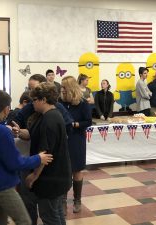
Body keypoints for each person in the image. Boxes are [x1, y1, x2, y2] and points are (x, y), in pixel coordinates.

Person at [0, 90, 53, 225]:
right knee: (24, 220)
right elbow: (16, 162)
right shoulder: (1, 131)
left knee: (0, 221)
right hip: (3, 186)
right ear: (6, 109)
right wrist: (38, 158)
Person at [23, 82, 72, 225]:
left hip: (50, 178)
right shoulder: (52, 115)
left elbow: (45, 154)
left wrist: (33, 176)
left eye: (35, 100)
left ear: (43, 99)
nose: (33, 104)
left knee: (49, 217)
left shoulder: (49, 119)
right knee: (56, 215)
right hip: (58, 175)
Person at [60, 76, 92, 213]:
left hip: (77, 139)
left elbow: (88, 121)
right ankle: (62, 202)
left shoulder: (83, 104)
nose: (62, 90)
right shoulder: (60, 102)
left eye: (64, 88)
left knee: (77, 170)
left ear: (71, 88)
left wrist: (74, 124)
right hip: (63, 140)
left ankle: (77, 200)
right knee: (63, 171)